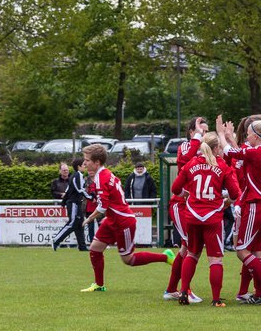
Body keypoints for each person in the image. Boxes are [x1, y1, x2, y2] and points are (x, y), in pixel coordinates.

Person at [79, 144, 174, 292]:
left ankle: (165, 256)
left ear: (97, 162)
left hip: (123, 222)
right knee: (95, 249)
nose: (84, 163)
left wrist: (88, 219)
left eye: (87, 160)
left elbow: (103, 206)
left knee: (128, 259)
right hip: (113, 219)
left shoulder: (101, 179)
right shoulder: (105, 174)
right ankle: (99, 285)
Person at [217, 114, 261, 304]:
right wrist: (229, 137)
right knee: (256, 252)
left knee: (241, 250)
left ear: (255, 136)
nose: (247, 137)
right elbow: (242, 154)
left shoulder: (256, 153)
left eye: (248, 134)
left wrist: (222, 134)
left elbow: (230, 152)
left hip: (256, 206)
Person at [170, 133, 240, 307]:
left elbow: (175, 188)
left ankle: (184, 292)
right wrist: (226, 203)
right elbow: (234, 193)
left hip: (193, 216)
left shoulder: (191, 164)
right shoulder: (221, 164)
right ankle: (216, 299)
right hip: (212, 218)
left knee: (192, 253)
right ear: (216, 148)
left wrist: (185, 194)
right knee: (215, 259)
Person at [165, 116, 210, 302]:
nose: (205, 135)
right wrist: (197, 137)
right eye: (201, 131)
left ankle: (172, 290)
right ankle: (185, 290)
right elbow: (185, 157)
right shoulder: (187, 146)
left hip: (193, 206)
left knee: (186, 249)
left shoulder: (205, 152)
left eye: (206, 132)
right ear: (192, 132)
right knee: (191, 247)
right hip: (180, 204)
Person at [51, 158, 89, 251]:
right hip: (74, 204)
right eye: (84, 164)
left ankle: (82, 246)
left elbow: (68, 190)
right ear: (79, 166)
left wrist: (64, 202)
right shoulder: (77, 175)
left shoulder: (74, 176)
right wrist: (91, 197)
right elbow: (80, 190)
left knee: (80, 224)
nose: (85, 166)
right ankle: (56, 240)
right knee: (72, 223)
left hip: (76, 203)